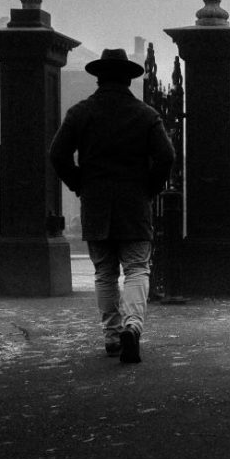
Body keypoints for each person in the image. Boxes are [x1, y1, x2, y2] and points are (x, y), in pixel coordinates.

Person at [50, 48, 175, 364]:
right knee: (136, 269)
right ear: (129, 78)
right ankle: (133, 327)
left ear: (99, 76)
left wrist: (79, 183)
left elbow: (57, 155)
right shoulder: (146, 115)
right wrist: (150, 187)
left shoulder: (81, 113)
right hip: (134, 204)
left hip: (96, 203)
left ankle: (112, 335)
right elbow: (167, 157)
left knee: (104, 273)